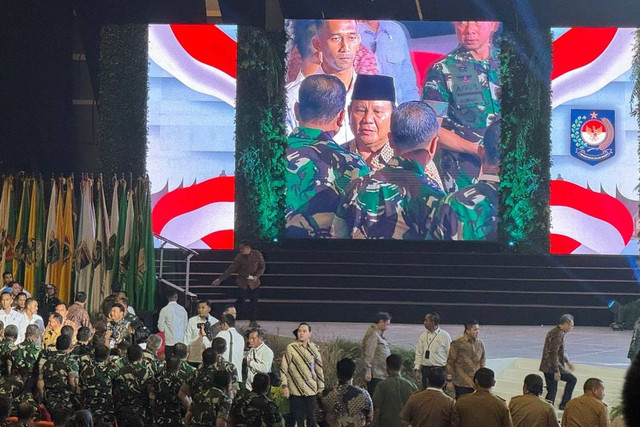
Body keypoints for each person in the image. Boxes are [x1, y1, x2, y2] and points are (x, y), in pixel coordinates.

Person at [333, 101, 445, 239]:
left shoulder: (355, 188)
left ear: (390, 140)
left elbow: (336, 242)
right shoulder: (437, 198)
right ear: (434, 145)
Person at [285, 74, 370, 238]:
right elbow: (361, 229)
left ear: (296, 110)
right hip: (328, 261)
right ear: (341, 117)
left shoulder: (267, 159)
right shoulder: (352, 165)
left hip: (268, 260)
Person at [423, 21, 501, 193]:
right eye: (462, 22)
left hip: (510, 172)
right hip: (465, 175)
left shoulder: (510, 66)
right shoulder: (442, 70)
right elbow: (431, 129)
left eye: (477, 22)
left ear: (494, 24)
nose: (469, 29)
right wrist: (477, 150)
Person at [286, 20, 362, 144]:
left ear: (359, 41)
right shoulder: (294, 95)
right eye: (336, 39)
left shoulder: (376, 96)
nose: (345, 48)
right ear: (317, 44)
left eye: (351, 38)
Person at [433, 119, 500, 240]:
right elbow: (430, 130)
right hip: (461, 179)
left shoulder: (452, 203)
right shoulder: (534, 201)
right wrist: (475, 149)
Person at [358, 20, 419, 104]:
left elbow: (408, 83)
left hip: (397, 110)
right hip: (364, 110)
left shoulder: (394, 29)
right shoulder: (348, 31)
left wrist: (412, 108)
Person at [281, 322, 324, 426]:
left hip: (311, 389)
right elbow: (284, 368)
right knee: (298, 419)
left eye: (304, 331)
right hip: (296, 389)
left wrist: (321, 384)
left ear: (310, 334)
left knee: (312, 419)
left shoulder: (314, 348)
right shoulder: (291, 348)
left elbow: (318, 368)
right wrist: (285, 385)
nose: (301, 333)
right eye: (300, 331)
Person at [212, 242, 265, 326]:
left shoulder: (257, 254)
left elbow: (262, 266)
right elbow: (231, 268)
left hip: (254, 283)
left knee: (254, 302)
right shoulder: (239, 257)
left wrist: (256, 276)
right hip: (242, 282)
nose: (241, 250)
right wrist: (220, 279)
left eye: (242, 248)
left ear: (248, 248)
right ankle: (230, 317)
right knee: (241, 301)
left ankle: (253, 321)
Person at [539, 314, 577, 409]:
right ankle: (563, 405)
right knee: (571, 380)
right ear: (566, 324)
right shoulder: (557, 334)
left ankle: (548, 409)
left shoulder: (556, 332)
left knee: (552, 390)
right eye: (571, 325)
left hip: (547, 366)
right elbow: (553, 353)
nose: (571, 328)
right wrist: (556, 371)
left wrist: (567, 362)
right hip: (551, 367)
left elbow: (560, 352)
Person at [321, 357, 373, 426]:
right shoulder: (364, 394)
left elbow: (319, 418)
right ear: (353, 373)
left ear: (337, 373)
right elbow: (369, 418)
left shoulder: (325, 395)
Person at [113, 344, 154, 425]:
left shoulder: (120, 372)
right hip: (143, 411)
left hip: (125, 411)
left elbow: (116, 393)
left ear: (127, 357)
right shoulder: (147, 372)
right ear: (142, 356)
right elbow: (151, 395)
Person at [372, 354, 417, 427]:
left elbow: (377, 409)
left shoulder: (381, 385)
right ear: (401, 367)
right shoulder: (411, 386)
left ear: (387, 368)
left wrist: (373, 423)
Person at [38, 335, 79, 413]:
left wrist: (42, 397)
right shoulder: (71, 362)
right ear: (70, 345)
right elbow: (73, 383)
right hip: (65, 402)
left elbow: (40, 383)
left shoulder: (47, 362)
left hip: (49, 401)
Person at [78, 344, 117, 424]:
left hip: (89, 408)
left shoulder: (85, 370)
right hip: (107, 409)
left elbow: (80, 388)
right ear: (107, 357)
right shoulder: (112, 371)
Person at [447, 319, 486, 398]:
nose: (477, 331)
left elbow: (482, 360)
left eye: (478, 329)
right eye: (475, 329)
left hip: (477, 383)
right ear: (468, 331)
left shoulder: (480, 343)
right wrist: (449, 380)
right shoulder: (457, 343)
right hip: (461, 382)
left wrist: (483, 377)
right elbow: (450, 362)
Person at [415, 312, 452, 389]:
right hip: (426, 369)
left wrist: (449, 374)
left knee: (440, 393)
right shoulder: (423, 335)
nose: (424, 322)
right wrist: (417, 368)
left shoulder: (444, 335)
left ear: (432, 322)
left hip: (440, 370)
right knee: (426, 393)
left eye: (426, 320)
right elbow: (419, 352)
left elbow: (449, 354)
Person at [361, 312, 392, 394]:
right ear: (381, 321)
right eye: (387, 324)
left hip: (380, 373)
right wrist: (368, 371)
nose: (387, 327)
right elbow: (369, 353)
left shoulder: (379, 335)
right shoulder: (373, 335)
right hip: (375, 374)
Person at [150, 357, 184, 426]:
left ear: (166, 366)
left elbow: (151, 400)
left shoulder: (157, 380)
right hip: (175, 417)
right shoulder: (180, 382)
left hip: (159, 417)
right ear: (179, 367)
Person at [184, 300, 217, 367]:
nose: (200, 310)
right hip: (194, 356)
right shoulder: (192, 321)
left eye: (202, 308)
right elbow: (187, 337)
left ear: (209, 309)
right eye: (199, 308)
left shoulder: (215, 322)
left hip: (208, 357)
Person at [157, 290, 188, 357]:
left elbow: (160, 328)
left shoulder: (164, 310)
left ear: (167, 298)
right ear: (176, 297)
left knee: (170, 362)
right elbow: (185, 325)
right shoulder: (182, 309)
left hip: (169, 341)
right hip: (181, 341)